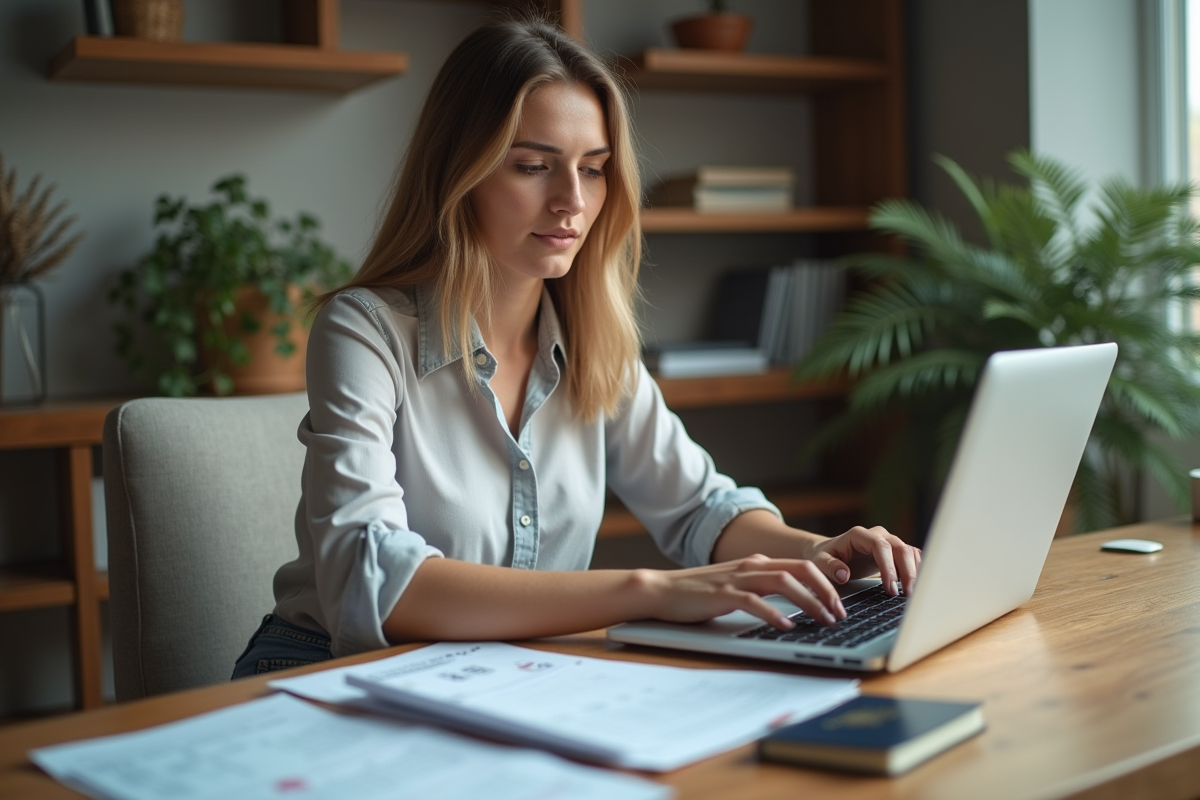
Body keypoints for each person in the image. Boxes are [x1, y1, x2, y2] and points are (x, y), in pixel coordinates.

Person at [232, 13, 920, 679]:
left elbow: (700, 509)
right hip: (324, 666)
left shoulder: (596, 342)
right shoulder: (364, 331)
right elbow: (374, 579)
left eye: (593, 168)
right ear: (459, 174)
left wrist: (821, 552)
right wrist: (650, 591)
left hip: (501, 675)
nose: (572, 201)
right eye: (534, 166)